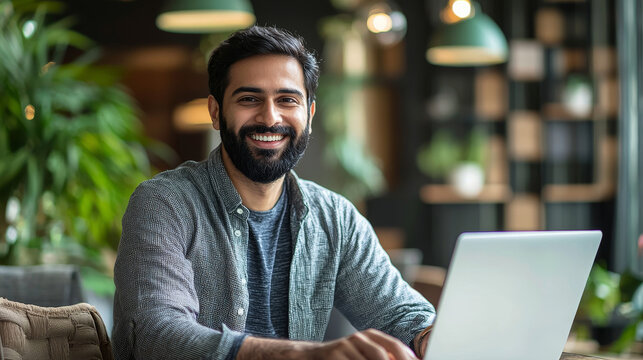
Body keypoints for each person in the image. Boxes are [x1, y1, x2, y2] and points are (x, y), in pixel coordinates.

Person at [112, 25, 435, 360]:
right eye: (249, 99)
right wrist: (305, 355)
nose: (269, 117)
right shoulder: (164, 204)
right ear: (216, 112)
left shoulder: (335, 217)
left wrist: (431, 336)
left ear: (309, 114)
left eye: (287, 100)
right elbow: (155, 334)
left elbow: (401, 315)